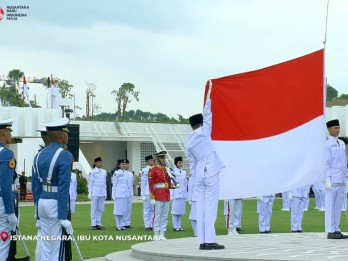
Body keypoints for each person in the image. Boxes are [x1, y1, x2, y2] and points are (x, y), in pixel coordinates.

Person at [184, 83, 225, 250]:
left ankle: (202, 241)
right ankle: (210, 240)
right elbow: (208, 114)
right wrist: (209, 95)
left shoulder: (188, 143)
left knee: (200, 208)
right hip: (210, 172)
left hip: (199, 175)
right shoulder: (204, 132)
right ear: (201, 124)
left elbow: (192, 166)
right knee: (210, 207)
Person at [31, 117, 74, 260]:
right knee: (57, 247)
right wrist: (63, 216)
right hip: (56, 203)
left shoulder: (38, 155)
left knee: (45, 245)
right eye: (66, 133)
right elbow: (63, 187)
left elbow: (36, 187)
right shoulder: (65, 155)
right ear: (61, 135)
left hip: (42, 201)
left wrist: (37, 212)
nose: (67, 136)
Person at [325, 119, 348, 239]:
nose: (337, 130)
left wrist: (346, 178)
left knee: (338, 206)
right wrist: (327, 178)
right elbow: (327, 163)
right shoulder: (327, 143)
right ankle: (330, 230)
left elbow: (344, 162)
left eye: (338, 128)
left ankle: (336, 229)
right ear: (329, 129)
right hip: (332, 179)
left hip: (341, 179)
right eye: (335, 128)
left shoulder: (342, 143)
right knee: (330, 206)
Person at [0, 119, 19, 260]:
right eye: (9, 131)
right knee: (3, 244)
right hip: (2, 201)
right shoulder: (6, 154)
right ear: (2, 133)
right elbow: (5, 185)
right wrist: (10, 212)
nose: (10, 135)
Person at [148, 151, 175, 240]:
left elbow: (168, 182)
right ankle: (156, 233)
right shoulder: (153, 170)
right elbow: (151, 184)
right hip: (158, 195)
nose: (164, 160)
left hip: (166, 194)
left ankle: (162, 233)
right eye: (162, 158)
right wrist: (152, 197)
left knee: (165, 215)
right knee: (157, 215)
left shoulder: (166, 169)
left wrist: (173, 186)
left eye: (164, 158)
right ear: (158, 159)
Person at [88, 157, 107, 230]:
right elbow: (90, 183)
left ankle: (98, 223)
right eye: (99, 162)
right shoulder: (92, 172)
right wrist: (90, 192)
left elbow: (104, 183)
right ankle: (93, 224)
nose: (100, 163)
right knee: (94, 209)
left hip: (102, 192)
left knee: (100, 209)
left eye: (101, 162)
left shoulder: (104, 171)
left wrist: (105, 193)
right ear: (95, 163)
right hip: (95, 192)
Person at [171, 156, 188, 231]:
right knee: (175, 211)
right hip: (176, 194)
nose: (181, 164)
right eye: (179, 162)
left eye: (181, 162)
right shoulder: (173, 172)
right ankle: (175, 226)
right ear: (176, 163)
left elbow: (185, 184)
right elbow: (171, 184)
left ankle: (179, 226)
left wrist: (186, 194)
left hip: (182, 194)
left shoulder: (184, 172)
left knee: (180, 211)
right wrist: (171, 195)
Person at [112, 159, 129, 230]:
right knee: (117, 210)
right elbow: (114, 184)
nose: (124, 165)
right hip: (118, 194)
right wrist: (113, 194)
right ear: (119, 165)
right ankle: (118, 225)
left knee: (123, 211)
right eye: (122, 164)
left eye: (125, 164)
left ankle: (122, 225)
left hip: (125, 194)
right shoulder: (116, 173)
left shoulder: (127, 173)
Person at [141, 155, 155, 231]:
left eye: (153, 160)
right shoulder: (144, 170)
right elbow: (143, 183)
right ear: (146, 162)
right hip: (147, 192)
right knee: (147, 209)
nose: (152, 161)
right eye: (150, 160)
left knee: (153, 209)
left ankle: (152, 224)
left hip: (154, 192)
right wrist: (142, 194)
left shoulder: (156, 169)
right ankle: (147, 225)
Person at [123, 159, 133, 228]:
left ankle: (127, 223)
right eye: (125, 164)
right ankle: (123, 223)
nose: (127, 166)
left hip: (130, 193)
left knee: (129, 209)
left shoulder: (130, 173)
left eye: (128, 164)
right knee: (123, 208)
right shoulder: (119, 173)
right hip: (123, 193)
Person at [187, 173, 197, 237]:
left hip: (203, 199)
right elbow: (190, 188)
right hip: (195, 199)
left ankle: (201, 232)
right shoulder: (193, 177)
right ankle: (196, 232)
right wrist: (190, 199)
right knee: (193, 216)